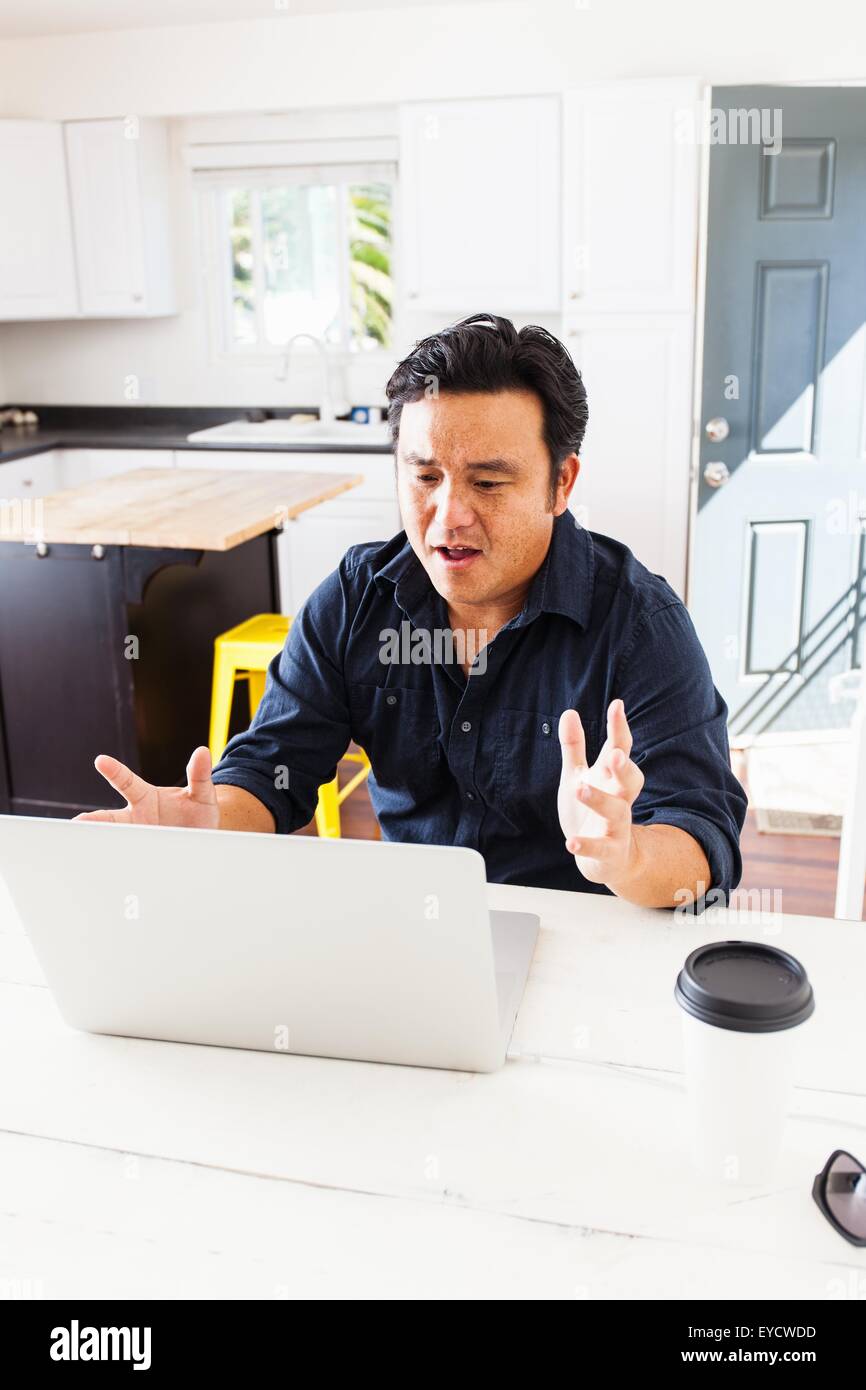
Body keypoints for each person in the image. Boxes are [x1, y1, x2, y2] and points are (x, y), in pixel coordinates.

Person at [79, 313, 747, 908]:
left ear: (561, 482)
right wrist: (214, 820)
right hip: (412, 932)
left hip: (582, 941)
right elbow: (269, 771)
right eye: (425, 477)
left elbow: (701, 844)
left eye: (488, 482)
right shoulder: (358, 597)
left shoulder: (639, 626)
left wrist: (624, 854)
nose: (447, 517)